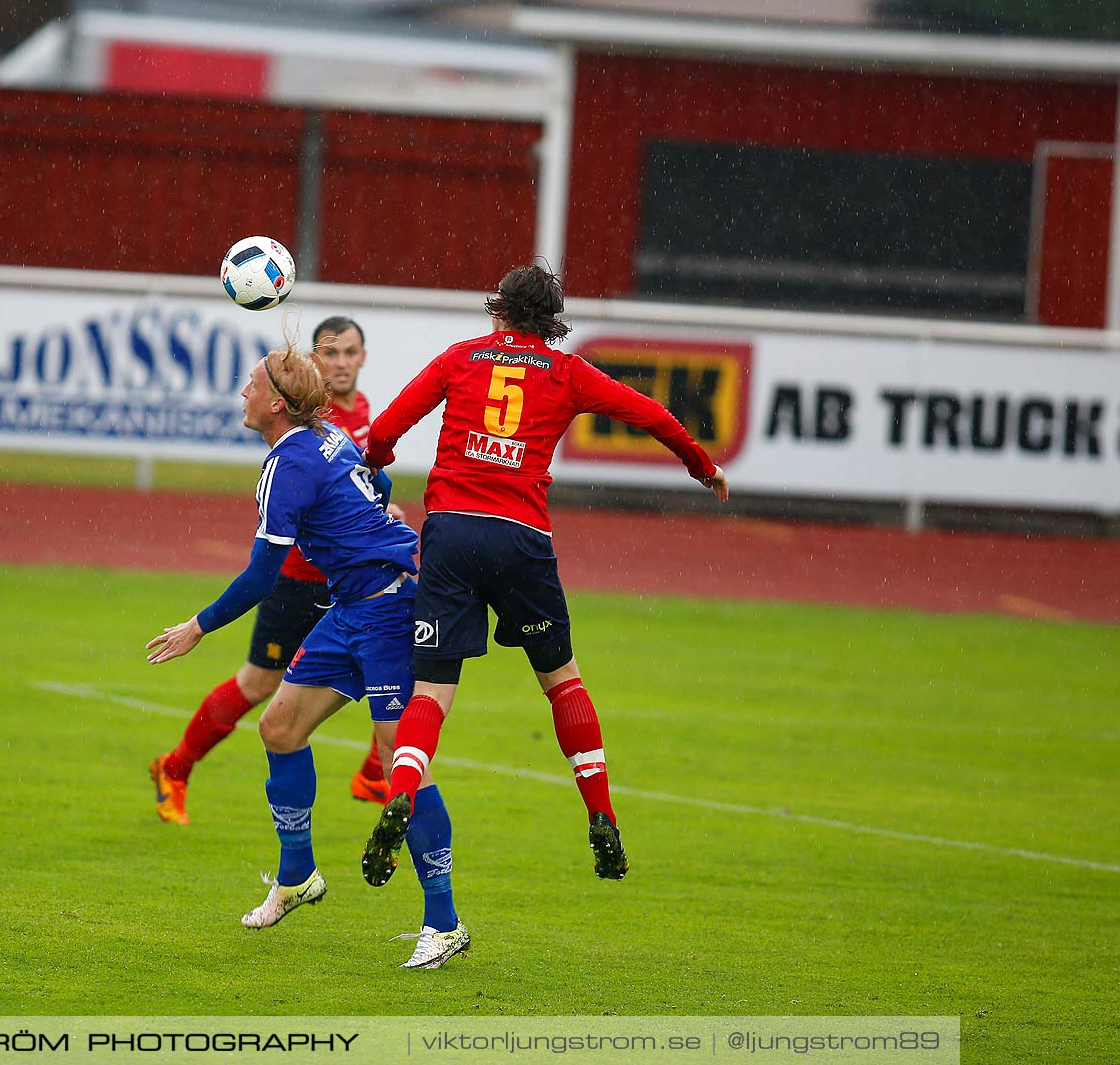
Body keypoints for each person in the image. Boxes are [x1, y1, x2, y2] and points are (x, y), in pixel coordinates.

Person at [358, 263, 728, 889]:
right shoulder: (568, 372)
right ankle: (602, 813)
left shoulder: (460, 358)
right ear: (550, 320)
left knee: (431, 691)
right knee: (561, 682)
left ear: (497, 309)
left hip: (449, 532)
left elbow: (388, 428)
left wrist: (375, 463)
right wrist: (701, 466)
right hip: (522, 538)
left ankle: (402, 791)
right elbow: (654, 417)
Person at [146, 336, 469, 969]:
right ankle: (297, 876)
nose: (243, 392)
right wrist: (379, 519)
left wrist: (198, 627)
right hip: (353, 605)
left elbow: (263, 574)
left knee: (398, 758)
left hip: (390, 608)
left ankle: (445, 922)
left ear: (275, 403)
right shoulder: (325, 438)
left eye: (251, 384)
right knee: (279, 726)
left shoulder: (287, 463)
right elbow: (374, 478)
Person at [149, 317, 395, 824]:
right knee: (260, 685)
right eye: (332, 354)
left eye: (351, 352)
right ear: (312, 371)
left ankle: (376, 774)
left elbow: (376, 478)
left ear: (363, 358)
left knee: (390, 669)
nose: (342, 363)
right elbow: (264, 569)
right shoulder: (313, 435)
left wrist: (374, 508)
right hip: (299, 581)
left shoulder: (358, 415)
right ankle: (175, 767)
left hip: (349, 586)